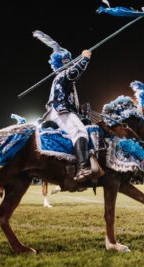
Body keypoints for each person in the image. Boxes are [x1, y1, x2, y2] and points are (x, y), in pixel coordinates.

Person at [33, 30, 93, 182]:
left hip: (61, 110)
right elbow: (74, 73)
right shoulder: (63, 75)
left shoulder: (63, 77)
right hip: (61, 111)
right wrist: (85, 59)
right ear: (63, 63)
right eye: (68, 61)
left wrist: (81, 110)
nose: (71, 62)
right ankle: (82, 168)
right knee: (79, 132)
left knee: (85, 127)